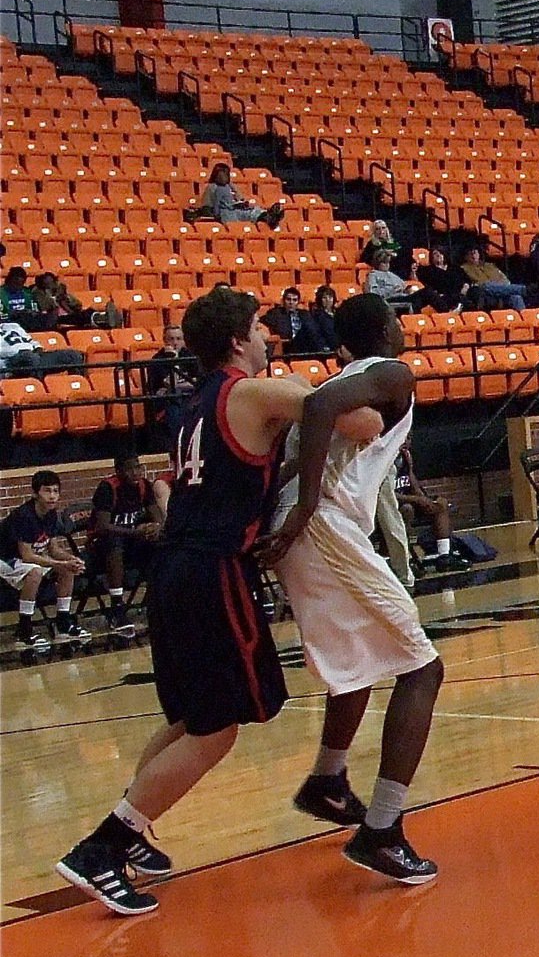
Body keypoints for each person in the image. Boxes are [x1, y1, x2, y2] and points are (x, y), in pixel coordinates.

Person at [54, 287, 369, 916]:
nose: (267, 337)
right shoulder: (255, 391)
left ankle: (132, 830)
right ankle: (102, 847)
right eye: (258, 327)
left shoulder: (189, 407)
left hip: (173, 568)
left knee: (187, 720)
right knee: (216, 729)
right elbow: (359, 423)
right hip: (212, 570)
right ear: (236, 341)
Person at [261, 292, 446, 885]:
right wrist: (307, 505)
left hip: (309, 527)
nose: (402, 325)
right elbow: (318, 406)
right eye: (397, 317)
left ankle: (328, 781)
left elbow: (309, 424)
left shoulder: (353, 377)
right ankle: (383, 830)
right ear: (385, 329)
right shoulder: (389, 372)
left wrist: (286, 508)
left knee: (363, 663)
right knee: (422, 669)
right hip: (325, 526)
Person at [2, 470, 87, 648]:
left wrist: (72, 559)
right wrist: (60, 563)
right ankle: (24, 629)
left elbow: (54, 549)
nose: (52, 496)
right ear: (35, 494)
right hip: (6, 558)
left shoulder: (51, 514)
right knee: (35, 572)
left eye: (56, 491)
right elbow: (27, 556)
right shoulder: (24, 516)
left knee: (67, 568)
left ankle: (63, 621)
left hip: (28, 558)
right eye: (47, 491)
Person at [89, 452, 164, 637]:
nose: (135, 472)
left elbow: (159, 518)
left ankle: (156, 600)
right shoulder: (107, 488)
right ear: (118, 471)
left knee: (159, 541)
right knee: (115, 542)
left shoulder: (144, 486)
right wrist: (135, 532)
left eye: (138, 467)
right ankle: (117, 607)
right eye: (129, 468)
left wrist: (155, 528)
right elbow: (103, 527)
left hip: (131, 545)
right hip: (101, 548)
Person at [394, 434, 470, 573]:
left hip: (409, 498)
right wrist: (417, 500)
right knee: (407, 509)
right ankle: (407, 559)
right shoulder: (383, 461)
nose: (405, 441)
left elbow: (412, 483)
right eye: (402, 438)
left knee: (440, 504)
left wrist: (425, 500)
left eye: (409, 438)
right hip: (392, 505)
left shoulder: (406, 456)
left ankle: (444, 557)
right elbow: (385, 496)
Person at [146, 325, 200, 446]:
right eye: (171, 339)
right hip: (167, 403)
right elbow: (170, 383)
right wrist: (174, 360)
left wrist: (178, 385)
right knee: (175, 400)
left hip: (190, 398)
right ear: (165, 340)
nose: (175, 343)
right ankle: (179, 445)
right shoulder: (157, 360)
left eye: (178, 338)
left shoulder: (191, 356)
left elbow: (199, 381)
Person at [197, 163, 284, 229]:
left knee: (255, 209)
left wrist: (241, 202)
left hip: (237, 209)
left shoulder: (229, 186)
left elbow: (240, 199)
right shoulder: (212, 187)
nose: (226, 176)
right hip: (226, 213)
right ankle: (268, 217)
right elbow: (206, 207)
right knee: (249, 214)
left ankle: (270, 217)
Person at [32, 272, 120, 330]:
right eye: (47, 284)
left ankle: (106, 318)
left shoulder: (62, 293)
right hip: (56, 319)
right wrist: (53, 299)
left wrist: (67, 299)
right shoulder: (39, 295)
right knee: (82, 316)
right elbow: (45, 309)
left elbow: (78, 305)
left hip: (71, 315)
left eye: (52, 283)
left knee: (88, 311)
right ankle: (104, 319)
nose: (51, 286)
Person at [0, 319, 85, 377]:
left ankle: (78, 386)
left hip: (34, 355)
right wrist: (17, 351)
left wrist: (38, 347)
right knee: (30, 358)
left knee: (72, 355)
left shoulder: (13, 326)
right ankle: (37, 389)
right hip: (11, 361)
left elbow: (30, 340)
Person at [459, 244, 528, 312]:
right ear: (465, 257)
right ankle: (524, 290)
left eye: (475, 253)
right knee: (487, 285)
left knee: (516, 298)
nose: (473, 255)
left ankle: (525, 319)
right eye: (470, 254)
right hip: (483, 289)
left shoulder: (489, 265)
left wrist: (501, 285)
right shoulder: (463, 268)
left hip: (501, 289)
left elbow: (505, 280)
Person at [262, 287, 319, 353]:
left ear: (298, 302)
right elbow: (260, 323)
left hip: (305, 345)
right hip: (286, 346)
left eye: (294, 300)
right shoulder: (275, 314)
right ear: (283, 300)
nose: (291, 302)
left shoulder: (305, 314)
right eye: (288, 299)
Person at [416, 246, 472, 313]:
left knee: (475, 291)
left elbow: (467, 280)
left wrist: (466, 286)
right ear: (431, 257)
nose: (438, 255)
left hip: (462, 293)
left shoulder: (455, 268)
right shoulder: (427, 270)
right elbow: (425, 286)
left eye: (441, 253)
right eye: (435, 253)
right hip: (443, 296)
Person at [1, 267, 55, 331]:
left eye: (21, 284)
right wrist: (16, 313)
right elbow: (3, 315)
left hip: (27, 321)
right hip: (8, 322)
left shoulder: (27, 292)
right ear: (9, 280)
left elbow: (35, 311)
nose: (18, 287)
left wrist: (30, 312)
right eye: (15, 283)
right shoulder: (1, 293)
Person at [299, 286, 339, 355]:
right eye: (324, 298)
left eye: (330, 297)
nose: (328, 300)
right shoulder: (316, 316)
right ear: (320, 300)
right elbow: (317, 335)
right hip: (326, 349)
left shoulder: (339, 314)